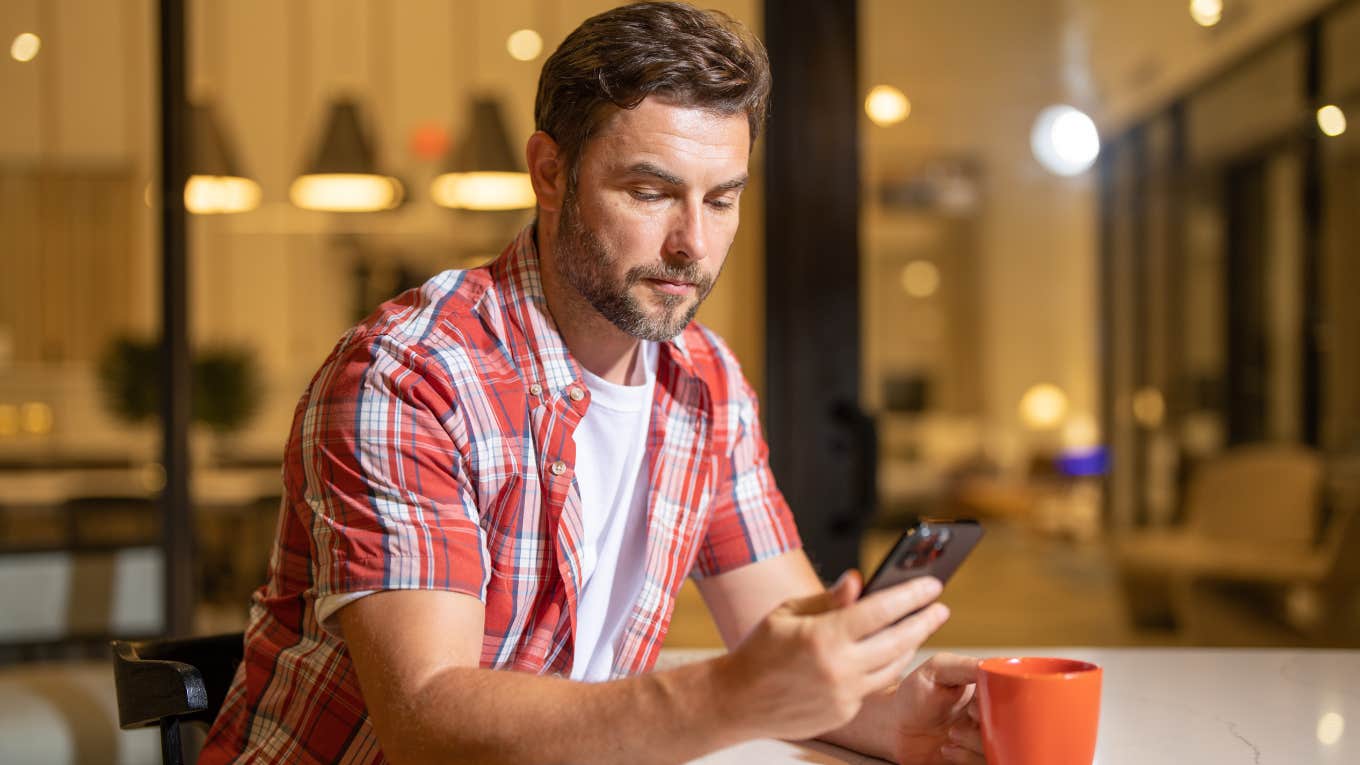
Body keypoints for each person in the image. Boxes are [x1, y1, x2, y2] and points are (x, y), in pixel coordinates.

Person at [200, 3, 985, 763]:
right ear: (549, 172)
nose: (694, 245)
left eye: (721, 199)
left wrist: (902, 717)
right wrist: (727, 695)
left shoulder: (703, 381)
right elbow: (428, 723)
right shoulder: (408, 377)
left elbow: (779, 634)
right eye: (650, 193)